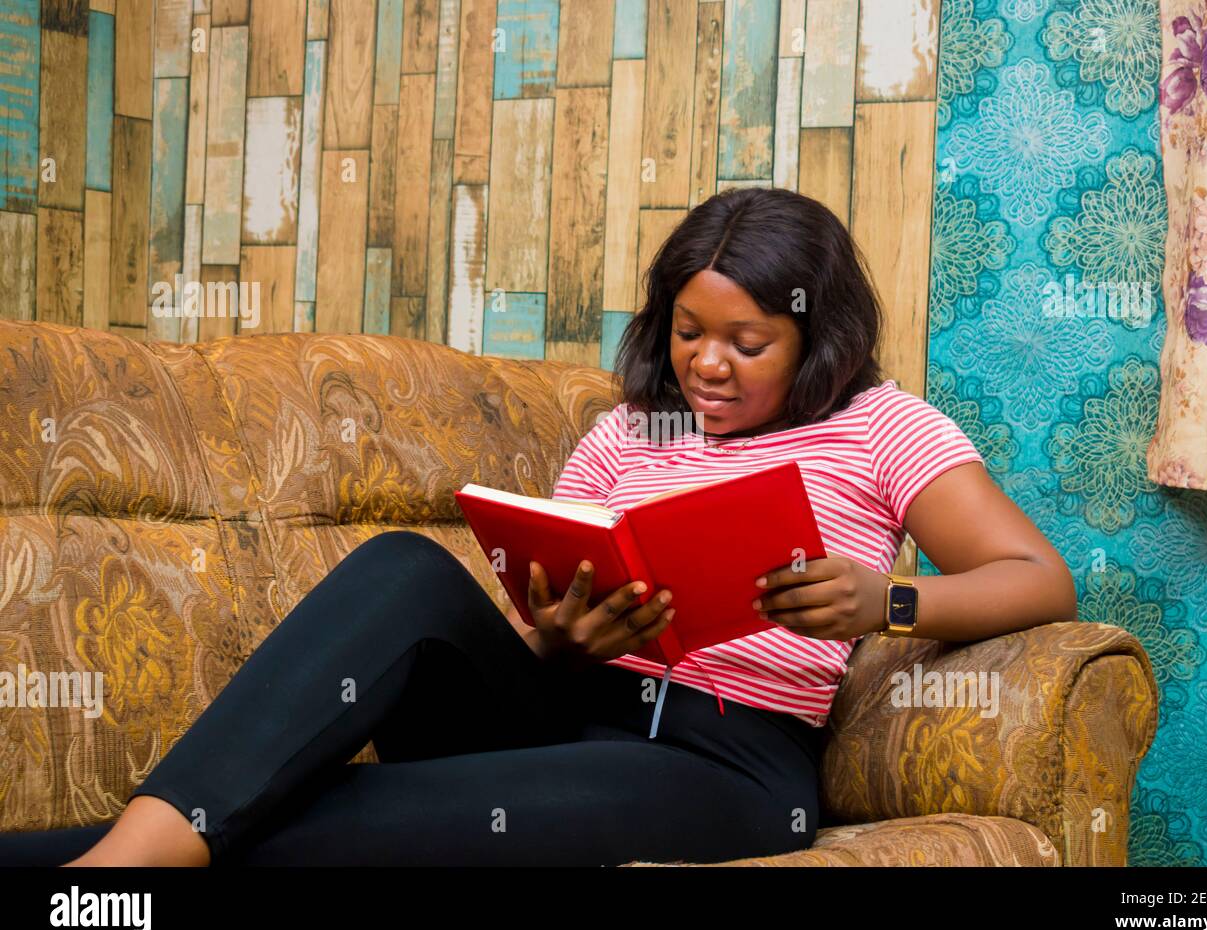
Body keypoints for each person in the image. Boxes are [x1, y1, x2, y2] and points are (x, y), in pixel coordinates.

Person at [0, 187, 1076, 866]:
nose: (707, 362)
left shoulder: (880, 425)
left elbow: (1038, 576)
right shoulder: (623, 432)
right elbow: (543, 619)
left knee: (335, 819)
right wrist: (563, 637)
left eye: (746, 342)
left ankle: (105, 877)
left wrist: (881, 597)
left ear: (814, 336)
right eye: (689, 331)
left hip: (728, 763)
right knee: (404, 569)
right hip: (563, 708)